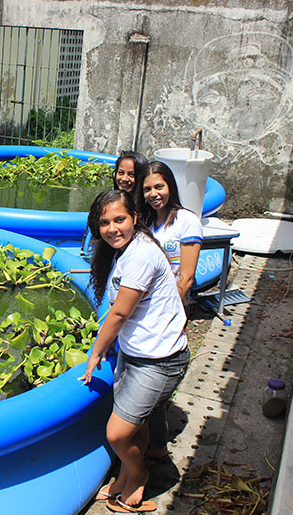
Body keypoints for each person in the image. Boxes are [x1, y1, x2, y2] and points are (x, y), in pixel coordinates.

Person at [79, 189, 189, 513]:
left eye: (119, 219)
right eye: (104, 222)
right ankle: (124, 478)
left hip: (158, 361)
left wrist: (96, 353)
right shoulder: (128, 249)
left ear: (135, 219)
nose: (112, 228)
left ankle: (138, 474)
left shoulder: (140, 254)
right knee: (135, 426)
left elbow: (120, 313)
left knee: (117, 433)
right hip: (137, 353)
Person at [138, 161, 203, 301]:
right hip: (144, 302)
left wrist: (171, 310)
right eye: (147, 189)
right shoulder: (145, 224)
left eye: (159, 187)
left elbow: (186, 277)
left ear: (171, 187)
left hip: (169, 303)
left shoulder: (187, 220)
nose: (153, 194)